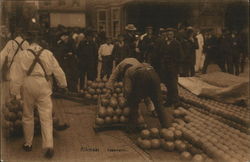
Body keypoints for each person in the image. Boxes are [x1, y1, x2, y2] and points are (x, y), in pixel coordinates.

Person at [10, 32, 67, 158]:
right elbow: (58, 71)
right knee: (46, 115)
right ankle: (48, 146)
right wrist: (63, 85)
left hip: (28, 83)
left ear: (30, 43)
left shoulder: (22, 54)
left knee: (27, 115)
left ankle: (28, 144)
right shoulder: (47, 53)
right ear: (40, 43)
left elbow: (15, 76)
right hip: (43, 83)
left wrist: (15, 93)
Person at [106, 58, 171, 132]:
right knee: (159, 103)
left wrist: (126, 100)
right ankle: (167, 126)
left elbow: (128, 90)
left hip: (142, 76)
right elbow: (146, 92)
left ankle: (132, 127)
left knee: (133, 103)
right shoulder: (136, 63)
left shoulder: (127, 71)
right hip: (154, 74)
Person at [0, 28, 30, 109]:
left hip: (13, 66)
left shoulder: (10, 43)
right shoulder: (26, 43)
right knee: (23, 83)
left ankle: (15, 103)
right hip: (23, 66)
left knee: (14, 82)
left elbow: (2, 56)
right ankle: (22, 104)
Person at [159, 28, 183, 107]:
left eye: (171, 34)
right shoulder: (164, 43)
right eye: (168, 34)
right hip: (165, 67)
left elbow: (180, 56)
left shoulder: (177, 43)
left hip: (173, 67)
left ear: (173, 35)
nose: (169, 36)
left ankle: (176, 101)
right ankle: (169, 101)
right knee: (168, 84)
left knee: (173, 84)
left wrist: (176, 65)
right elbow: (161, 53)